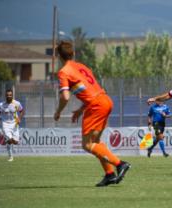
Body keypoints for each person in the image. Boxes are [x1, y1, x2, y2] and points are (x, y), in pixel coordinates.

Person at [53, 41, 131, 187]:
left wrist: (58, 111)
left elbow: (65, 97)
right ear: (73, 53)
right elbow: (90, 89)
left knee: (87, 144)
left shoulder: (64, 72)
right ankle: (109, 174)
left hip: (95, 105)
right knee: (95, 142)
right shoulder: (82, 66)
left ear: (59, 56)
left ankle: (120, 164)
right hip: (105, 100)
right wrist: (80, 110)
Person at [0, 89, 24, 162]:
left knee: (15, 142)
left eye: (10, 95)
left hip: (14, 124)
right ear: (5, 96)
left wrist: (19, 118)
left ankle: (8, 139)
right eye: (8, 95)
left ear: (12, 95)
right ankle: (10, 156)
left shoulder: (16, 103)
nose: (9, 96)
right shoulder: (1, 105)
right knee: (10, 140)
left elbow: (22, 111)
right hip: (5, 124)